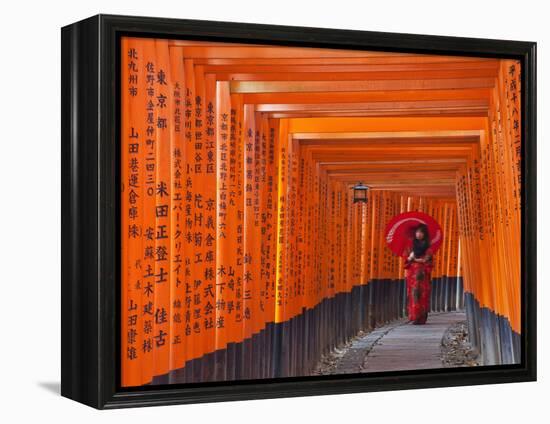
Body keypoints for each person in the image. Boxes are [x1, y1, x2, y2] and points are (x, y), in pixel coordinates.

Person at [402, 223, 434, 325]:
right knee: (413, 294)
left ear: (425, 234)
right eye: (417, 232)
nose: (419, 234)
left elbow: (427, 260)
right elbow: (405, 259)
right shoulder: (410, 246)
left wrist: (414, 259)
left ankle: (422, 317)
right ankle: (414, 316)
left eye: (421, 232)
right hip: (412, 275)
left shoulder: (428, 247)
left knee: (423, 295)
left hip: (423, 275)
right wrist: (409, 258)